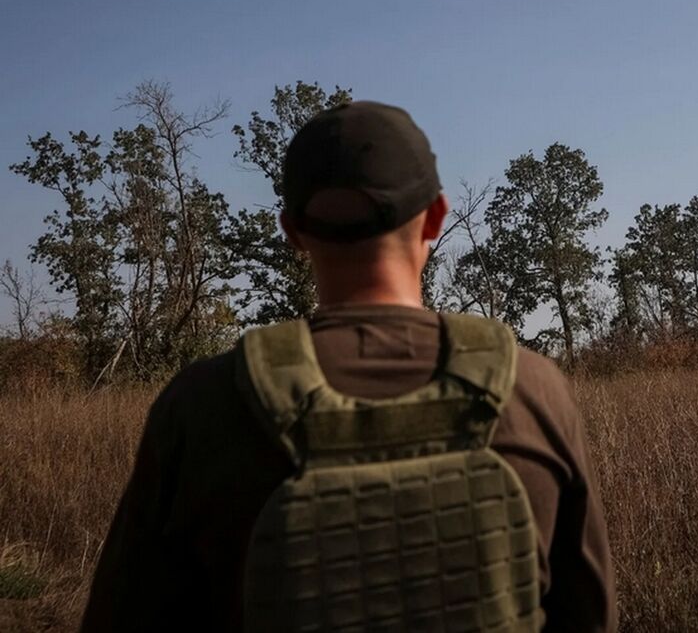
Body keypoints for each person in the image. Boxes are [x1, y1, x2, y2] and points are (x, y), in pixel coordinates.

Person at [81, 101, 616, 632]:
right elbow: (590, 617)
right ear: (435, 216)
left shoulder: (201, 408)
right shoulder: (535, 392)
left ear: (293, 231)